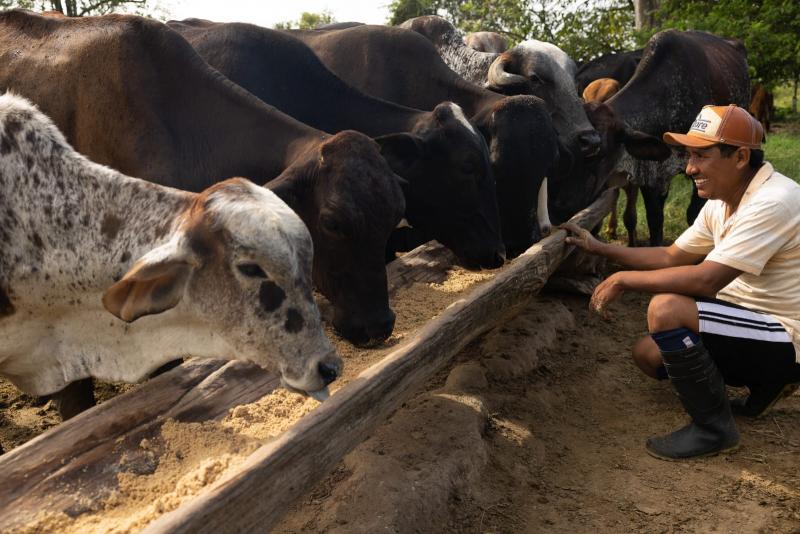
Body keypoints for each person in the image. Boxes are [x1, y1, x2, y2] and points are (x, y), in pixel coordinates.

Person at [564, 104, 800, 460]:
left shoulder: (774, 201)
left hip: (785, 333)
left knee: (667, 308)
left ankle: (714, 428)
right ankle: (769, 384)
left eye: (701, 156)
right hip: (748, 323)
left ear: (739, 157)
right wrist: (600, 248)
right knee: (648, 354)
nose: (690, 168)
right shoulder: (723, 200)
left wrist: (625, 280)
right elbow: (672, 256)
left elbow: (707, 280)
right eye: (689, 156)